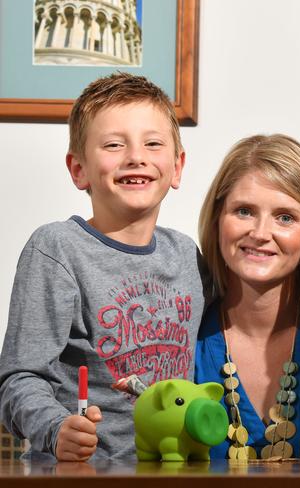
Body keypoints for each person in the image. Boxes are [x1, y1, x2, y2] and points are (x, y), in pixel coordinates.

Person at [0, 73, 206, 461]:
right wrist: (55, 428)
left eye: (153, 143)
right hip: (82, 474)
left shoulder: (187, 255)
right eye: (114, 144)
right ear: (79, 169)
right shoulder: (56, 249)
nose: (135, 156)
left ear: (177, 166)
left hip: (170, 471)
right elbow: (19, 378)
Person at [194, 134, 300, 460]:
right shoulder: (185, 329)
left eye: (285, 217)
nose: (261, 233)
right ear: (216, 220)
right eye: (244, 211)